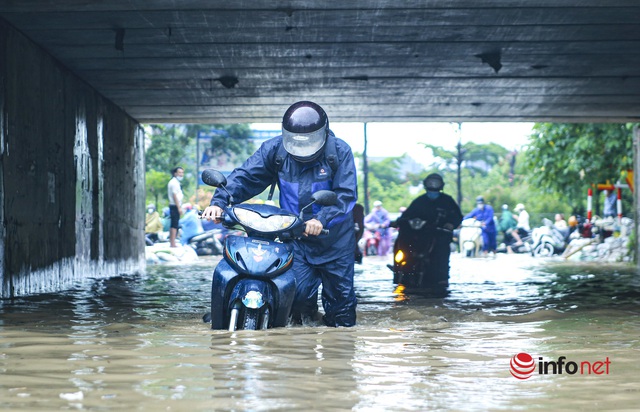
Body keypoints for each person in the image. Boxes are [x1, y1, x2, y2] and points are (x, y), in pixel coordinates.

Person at [202, 101, 358, 327]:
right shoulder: (274, 150)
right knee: (296, 301)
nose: (300, 146)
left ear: (323, 133)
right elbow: (245, 177)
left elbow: (345, 195)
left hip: (335, 241)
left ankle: (336, 345)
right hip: (295, 238)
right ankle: (299, 350)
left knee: (342, 310)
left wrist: (320, 219)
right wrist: (219, 202)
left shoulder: (339, 152)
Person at [393, 173, 462, 286]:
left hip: (439, 234)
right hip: (418, 235)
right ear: (425, 185)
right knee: (402, 242)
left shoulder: (447, 201)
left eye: (436, 183)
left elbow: (457, 216)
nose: (433, 186)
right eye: (430, 183)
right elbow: (407, 215)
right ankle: (399, 268)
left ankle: (442, 276)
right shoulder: (419, 201)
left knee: (442, 250)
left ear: (441, 186)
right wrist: (398, 222)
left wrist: (450, 224)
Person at [168, 166, 184, 248]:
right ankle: (172, 243)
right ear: (175, 173)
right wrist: (179, 208)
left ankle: (172, 242)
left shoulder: (176, 182)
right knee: (174, 224)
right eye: (179, 172)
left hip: (175, 205)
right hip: (174, 206)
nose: (181, 174)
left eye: (182, 172)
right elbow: (175, 196)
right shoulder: (174, 183)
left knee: (175, 224)